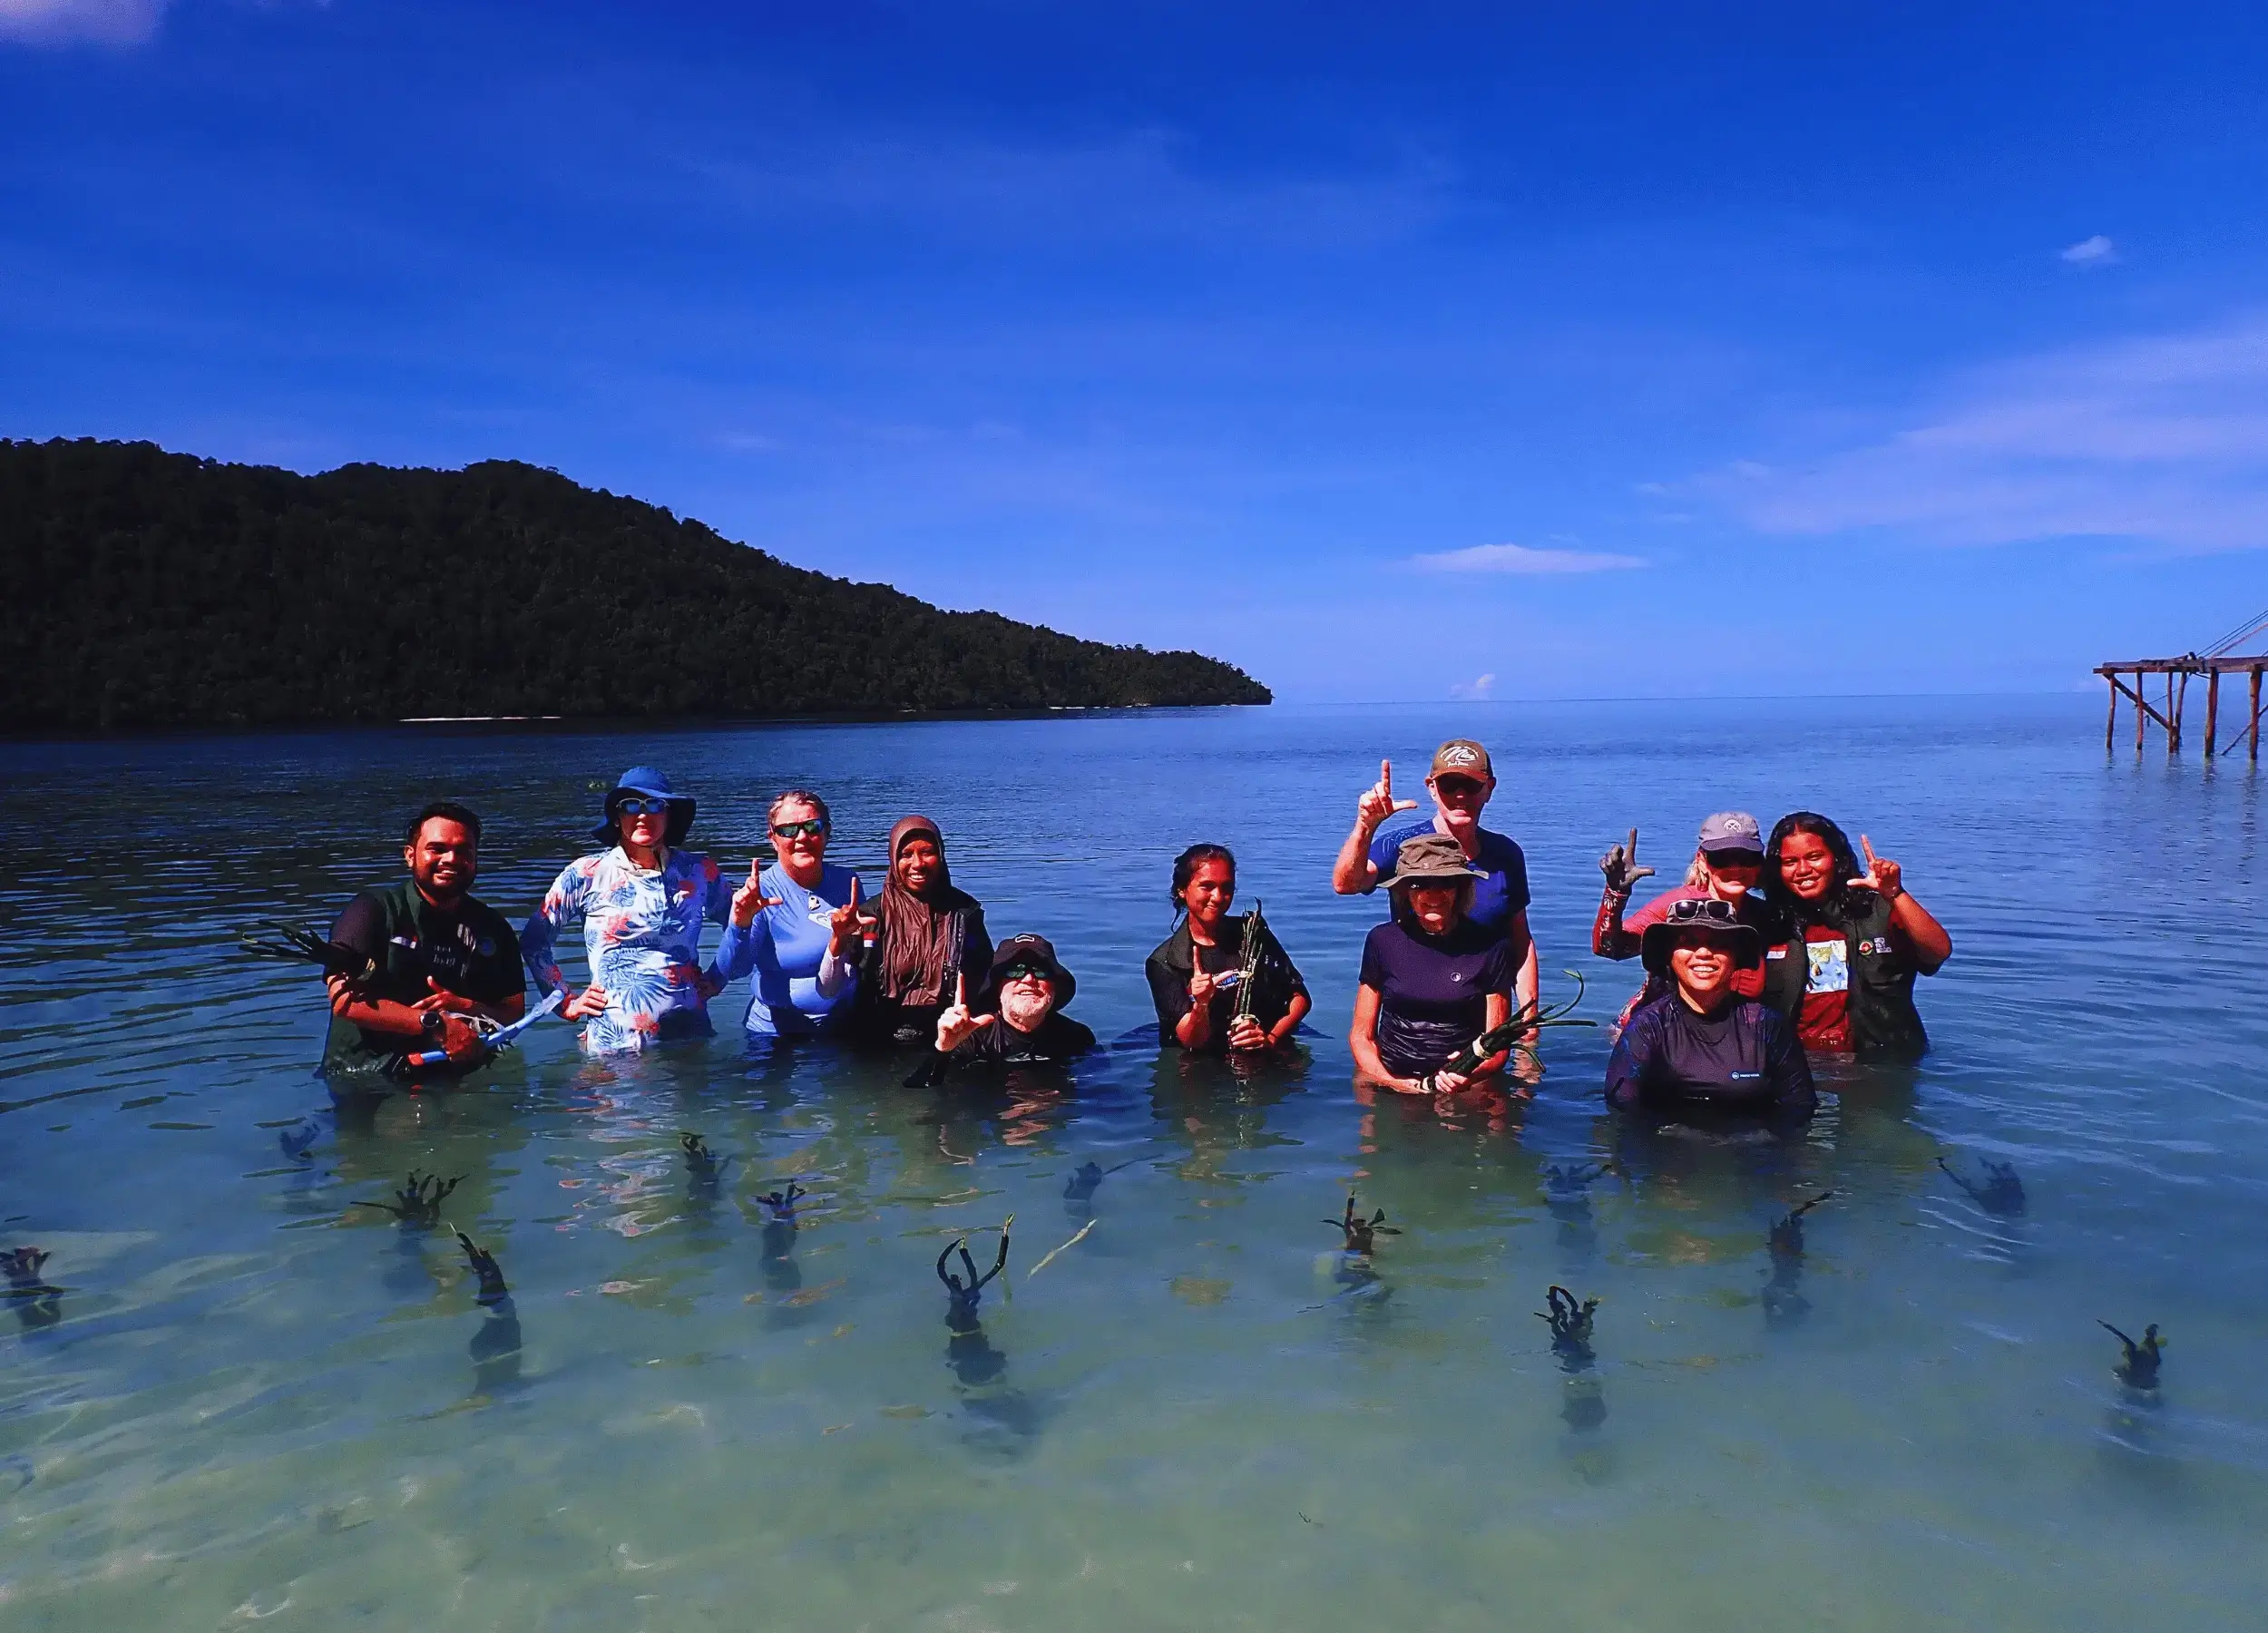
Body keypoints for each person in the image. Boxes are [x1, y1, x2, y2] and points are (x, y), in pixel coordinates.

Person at [522, 767, 736, 1054]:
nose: (643, 815)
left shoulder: (700, 871)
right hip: (614, 1045)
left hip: (689, 1038)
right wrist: (564, 1001)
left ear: (669, 814)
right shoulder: (586, 873)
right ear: (617, 816)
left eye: (655, 805)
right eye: (631, 806)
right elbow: (535, 939)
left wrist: (718, 978)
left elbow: (741, 926)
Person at [1332, 738, 1538, 1022]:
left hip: (1487, 1019)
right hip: (1413, 1018)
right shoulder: (1403, 845)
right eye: (1449, 785)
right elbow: (1346, 884)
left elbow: (1521, 941)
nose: (1460, 795)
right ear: (1431, 788)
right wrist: (1366, 827)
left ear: (1489, 788)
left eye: (1471, 785)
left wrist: (1529, 1019)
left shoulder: (1506, 854)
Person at [321, 801, 526, 1084]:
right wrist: (436, 1025)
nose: (451, 859)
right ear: (410, 855)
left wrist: (466, 1006)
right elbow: (343, 1001)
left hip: (455, 1077)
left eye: (464, 850)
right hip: (367, 1079)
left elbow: (513, 1011)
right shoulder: (370, 911)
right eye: (437, 849)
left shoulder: (493, 927)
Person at [1604, 896, 1816, 1118]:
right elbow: (1621, 1117)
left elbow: (1800, 1111)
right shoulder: (1648, 1027)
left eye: (1719, 943)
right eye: (1689, 942)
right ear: (1669, 956)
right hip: (1669, 1148)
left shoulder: (1767, 1025)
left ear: (1736, 957)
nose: (1704, 953)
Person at [1764, 813, 1951, 1060]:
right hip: (1802, 1065)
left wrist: (1895, 893)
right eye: (1789, 861)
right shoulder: (1770, 923)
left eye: (1814, 857)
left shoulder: (1878, 911)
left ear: (1837, 859)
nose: (1803, 870)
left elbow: (1938, 952)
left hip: (1884, 1064)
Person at [1349, 833, 1520, 1095]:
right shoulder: (1381, 940)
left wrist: (1468, 1074)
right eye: (1419, 885)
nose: (1432, 895)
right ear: (1404, 892)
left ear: (1460, 888)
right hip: (1389, 1076)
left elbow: (1496, 1045)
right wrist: (1388, 1080)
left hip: (1463, 1080)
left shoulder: (1492, 945)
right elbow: (1362, 1035)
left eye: (1444, 884)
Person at [1592, 813, 1786, 1020]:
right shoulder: (1678, 908)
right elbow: (1610, 949)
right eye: (1722, 859)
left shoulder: (1766, 916)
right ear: (1702, 860)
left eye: (1747, 858)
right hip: (1655, 1029)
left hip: (1728, 1031)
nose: (1735, 868)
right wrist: (1615, 892)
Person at [709, 789, 865, 1040]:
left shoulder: (848, 882)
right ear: (773, 839)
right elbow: (735, 970)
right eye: (788, 830)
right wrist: (739, 924)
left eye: (812, 826)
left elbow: (861, 958)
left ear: (827, 832)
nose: (802, 837)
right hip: (776, 1038)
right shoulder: (761, 893)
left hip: (841, 1029)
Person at [1146, 844, 1311, 1053]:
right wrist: (1201, 1004)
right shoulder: (1165, 962)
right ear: (1182, 889)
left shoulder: (1253, 935)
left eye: (1227, 888)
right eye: (1207, 887)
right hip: (1200, 1068)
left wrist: (1270, 1038)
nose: (1218, 897)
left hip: (1264, 1053)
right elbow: (1191, 1041)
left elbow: (1300, 997)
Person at [845, 814, 992, 1048]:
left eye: (927, 852)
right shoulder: (870, 915)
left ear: (941, 856)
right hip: (878, 1041)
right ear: (893, 859)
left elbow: (984, 976)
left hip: (950, 1036)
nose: (917, 864)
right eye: (906, 855)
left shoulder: (965, 913)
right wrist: (839, 939)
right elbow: (840, 983)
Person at [929, 934, 1097, 1071]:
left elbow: (1100, 1092)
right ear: (997, 987)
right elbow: (923, 1089)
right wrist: (943, 1050)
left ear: (1054, 987)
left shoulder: (1078, 1037)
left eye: (1040, 971)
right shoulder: (970, 1037)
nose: (1029, 979)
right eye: (1015, 971)